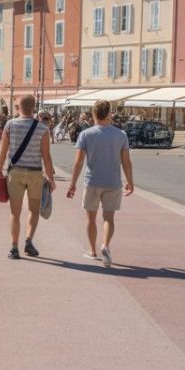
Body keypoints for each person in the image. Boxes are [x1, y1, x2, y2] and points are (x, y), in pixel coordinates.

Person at [67, 99, 134, 268]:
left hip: (92, 181)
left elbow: (78, 162)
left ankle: (92, 250)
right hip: (113, 182)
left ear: (94, 114)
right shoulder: (121, 135)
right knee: (108, 218)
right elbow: (126, 162)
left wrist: (72, 184)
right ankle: (105, 245)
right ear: (109, 114)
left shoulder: (86, 134)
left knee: (91, 218)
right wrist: (130, 182)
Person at [0, 95, 55, 260]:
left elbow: (2, 151)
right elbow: (46, 156)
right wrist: (50, 178)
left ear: (19, 108)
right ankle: (28, 241)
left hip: (15, 172)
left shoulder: (10, 124)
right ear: (33, 108)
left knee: (15, 213)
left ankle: (14, 248)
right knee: (34, 210)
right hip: (35, 173)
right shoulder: (43, 128)